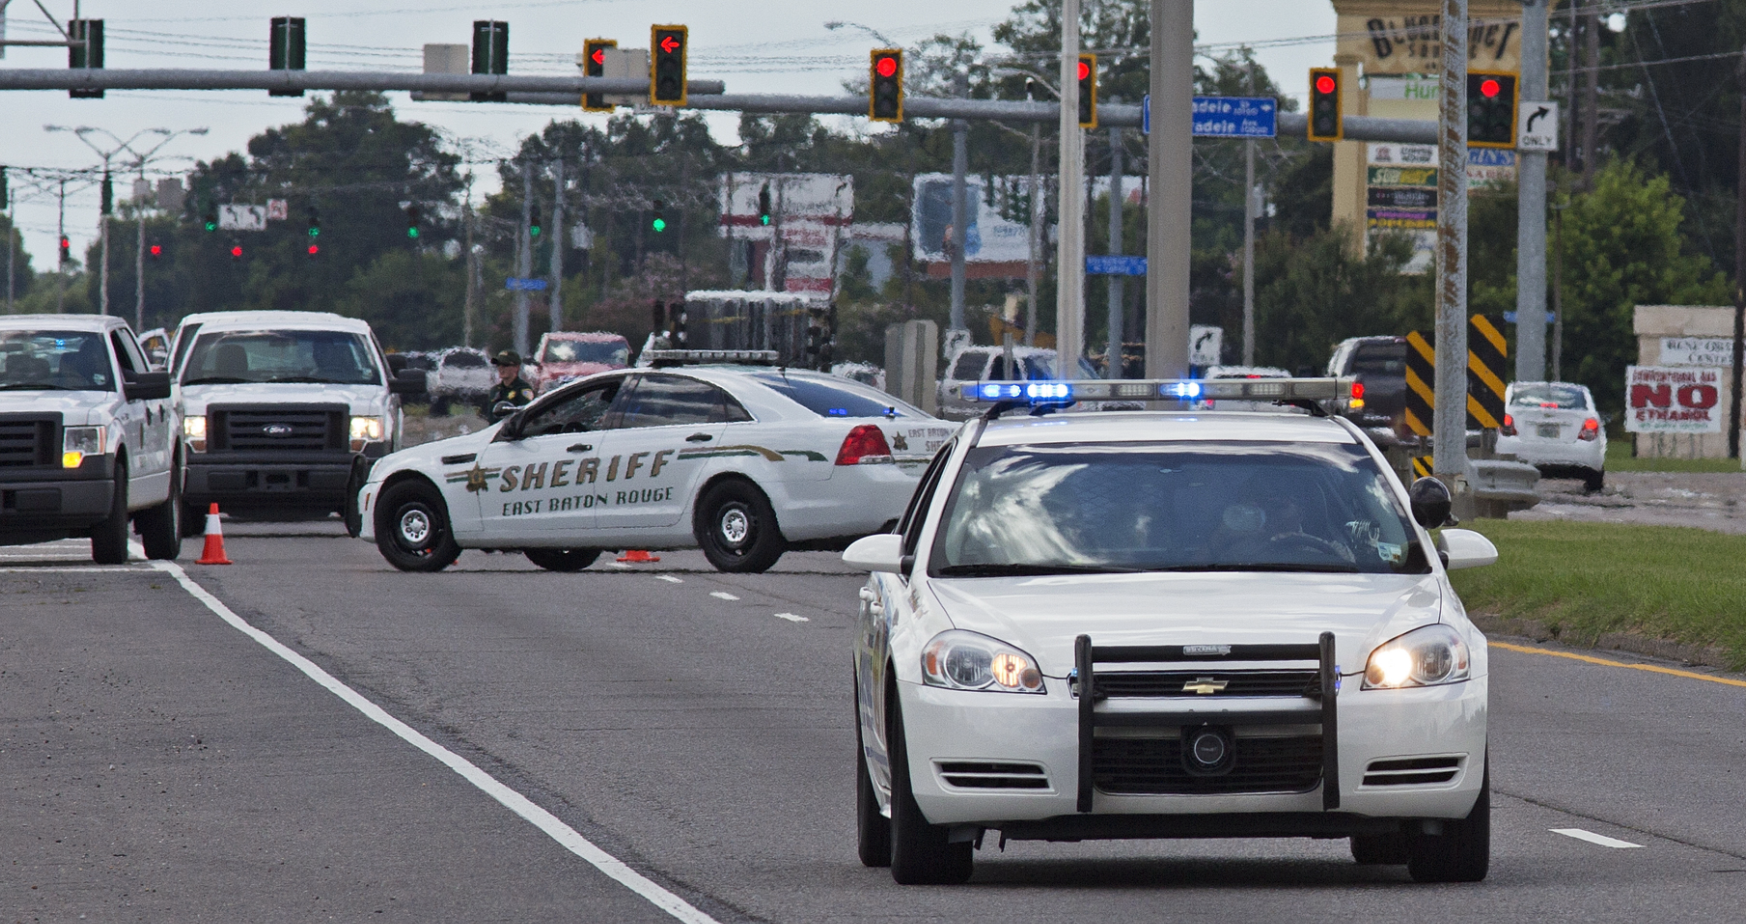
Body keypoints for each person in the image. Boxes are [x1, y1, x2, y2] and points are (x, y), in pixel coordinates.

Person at [484, 349, 534, 422]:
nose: (501, 369)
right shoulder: (494, 391)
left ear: (516, 367)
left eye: (505, 365)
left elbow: (526, 416)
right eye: (498, 365)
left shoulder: (523, 389)